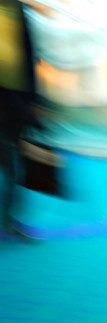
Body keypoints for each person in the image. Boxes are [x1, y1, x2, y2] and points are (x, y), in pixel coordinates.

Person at [0, 0, 39, 238]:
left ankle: (8, 218)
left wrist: (33, 100)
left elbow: (29, 55)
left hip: (16, 100)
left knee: (13, 163)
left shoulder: (20, 10)